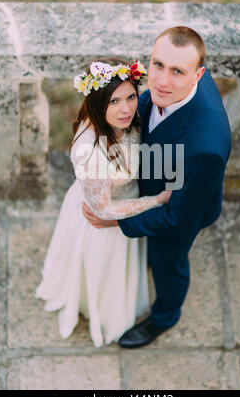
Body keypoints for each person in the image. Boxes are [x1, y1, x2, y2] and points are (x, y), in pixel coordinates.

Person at [82, 26, 232, 348]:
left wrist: (116, 219)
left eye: (177, 71)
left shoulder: (205, 147)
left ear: (198, 74)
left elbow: (177, 217)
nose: (162, 81)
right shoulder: (164, 91)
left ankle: (165, 316)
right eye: (158, 64)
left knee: (168, 261)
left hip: (179, 209)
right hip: (155, 178)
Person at [35, 57, 172, 347]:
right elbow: (102, 210)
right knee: (102, 278)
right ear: (98, 103)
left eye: (131, 97)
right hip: (104, 223)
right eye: (114, 102)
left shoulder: (135, 114)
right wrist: (156, 201)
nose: (126, 109)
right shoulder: (88, 151)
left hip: (127, 205)